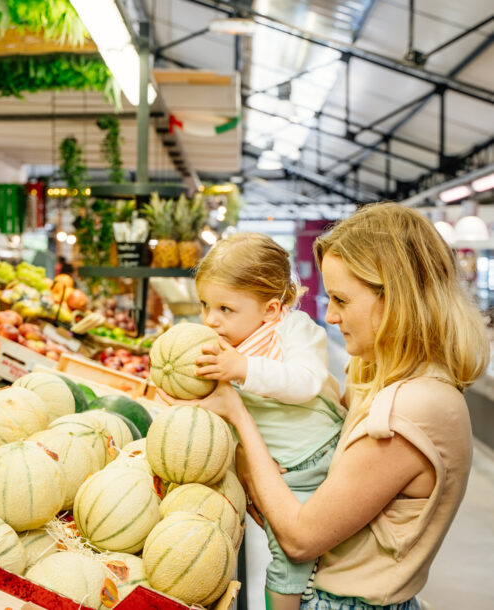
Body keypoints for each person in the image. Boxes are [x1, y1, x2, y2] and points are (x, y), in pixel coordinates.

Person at [198, 203, 490, 609]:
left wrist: (240, 421)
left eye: (341, 299)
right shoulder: (380, 377)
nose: (330, 315)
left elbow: (300, 538)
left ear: (396, 299)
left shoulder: (413, 407)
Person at [192, 232, 346, 610]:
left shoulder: (294, 331)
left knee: (293, 559)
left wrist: (242, 368)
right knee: (296, 555)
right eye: (204, 305)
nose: (210, 320)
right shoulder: (224, 348)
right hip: (279, 472)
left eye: (225, 309)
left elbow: (305, 382)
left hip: (317, 457)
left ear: (271, 310)